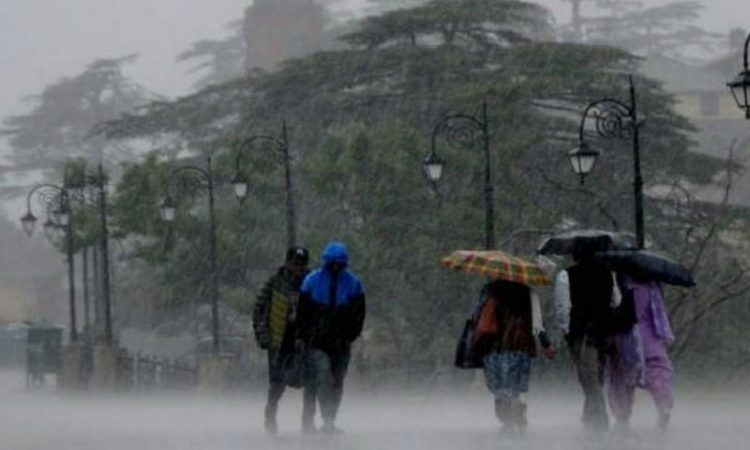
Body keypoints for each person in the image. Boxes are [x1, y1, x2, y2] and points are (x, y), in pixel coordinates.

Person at [297, 242, 366, 434]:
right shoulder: (312, 281)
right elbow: (303, 313)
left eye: (339, 264)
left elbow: (359, 315)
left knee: (337, 381)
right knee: (324, 377)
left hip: (341, 343)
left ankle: (329, 419)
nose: (335, 267)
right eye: (332, 264)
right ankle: (325, 418)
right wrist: (303, 335)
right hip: (317, 343)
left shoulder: (353, 284)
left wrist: (350, 335)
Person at [554, 242, 622, 431]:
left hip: (582, 332)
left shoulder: (566, 275)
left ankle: (599, 420)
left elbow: (562, 306)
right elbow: (616, 301)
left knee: (588, 377)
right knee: (597, 376)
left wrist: (566, 329)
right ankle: (590, 416)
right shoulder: (608, 273)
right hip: (604, 332)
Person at [475, 280, 556, 433]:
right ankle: (517, 409)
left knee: (499, 388)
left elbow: (479, 318)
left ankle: (508, 420)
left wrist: (476, 343)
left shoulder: (490, 290)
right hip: (521, 347)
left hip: (496, 348)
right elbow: (537, 323)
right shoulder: (528, 293)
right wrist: (546, 344)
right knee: (515, 388)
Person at [252, 246, 310, 435]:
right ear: (287, 263)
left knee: (310, 381)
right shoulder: (274, 283)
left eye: (302, 265)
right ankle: (271, 414)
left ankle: (308, 422)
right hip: (280, 340)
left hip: (305, 339)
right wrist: (263, 335)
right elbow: (259, 309)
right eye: (295, 264)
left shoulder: (312, 282)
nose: (299, 268)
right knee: (278, 382)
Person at [606, 274, 675, 430]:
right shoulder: (651, 285)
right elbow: (658, 314)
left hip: (624, 336)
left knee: (620, 379)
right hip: (650, 338)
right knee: (658, 373)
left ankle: (622, 418)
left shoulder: (617, 283)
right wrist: (665, 336)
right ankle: (663, 405)